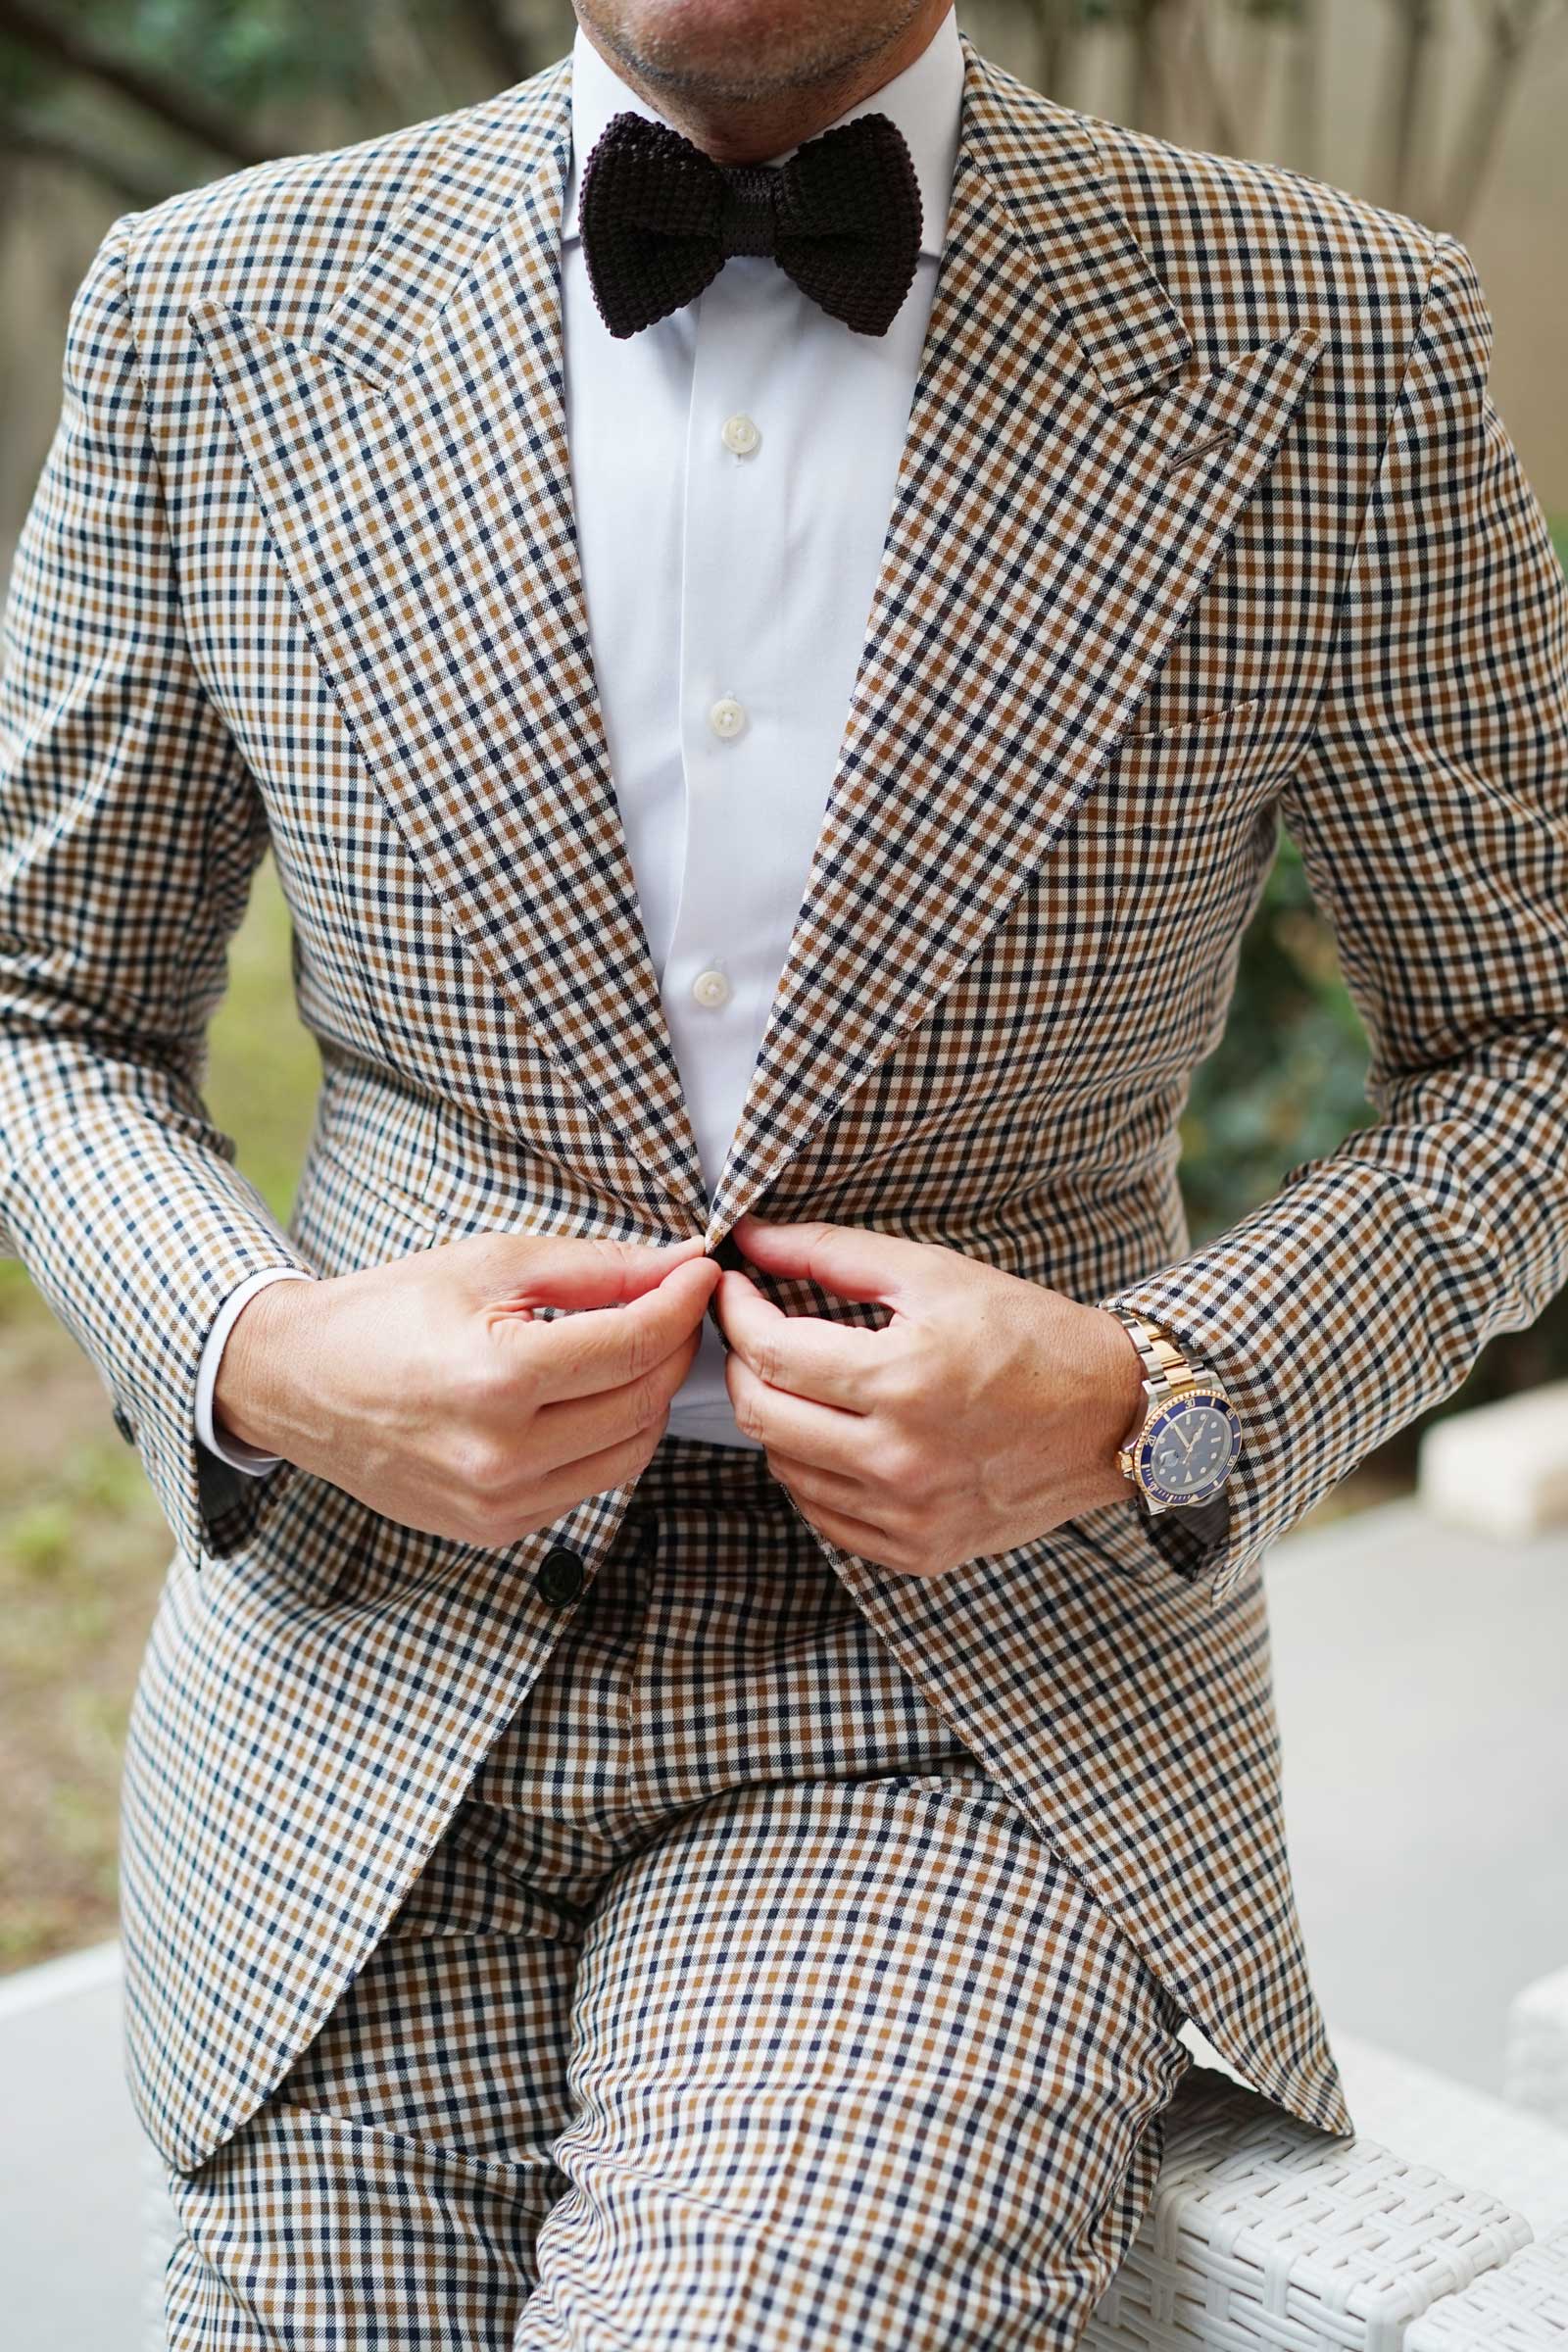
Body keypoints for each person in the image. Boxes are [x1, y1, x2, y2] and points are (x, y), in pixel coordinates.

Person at [2, 0, 1564, 2341]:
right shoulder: (210, 306)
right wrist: (265, 1353)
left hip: (961, 1704)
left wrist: (1160, 1389)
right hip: (350, 1690)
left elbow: (1529, 1040)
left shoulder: (1332, 334)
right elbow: (42, 1005)